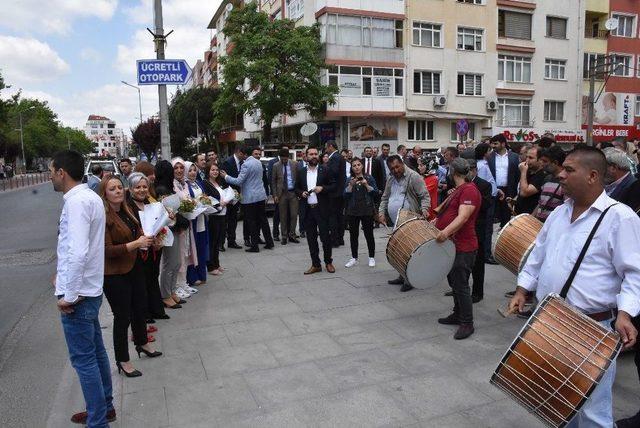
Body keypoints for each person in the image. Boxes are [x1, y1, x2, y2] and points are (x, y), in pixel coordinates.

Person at [509, 146, 640, 428]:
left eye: (569, 170)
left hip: (592, 328)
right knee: (559, 404)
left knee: (593, 412)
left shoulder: (621, 217)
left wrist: (626, 313)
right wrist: (522, 289)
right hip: (551, 324)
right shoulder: (558, 214)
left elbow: (635, 273)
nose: (561, 174)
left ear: (592, 175)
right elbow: (537, 255)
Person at [50, 150, 116, 427]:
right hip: (90, 287)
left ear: (62, 172)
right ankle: (105, 407)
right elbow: (78, 248)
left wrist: (69, 294)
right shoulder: (90, 197)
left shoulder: (77, 202)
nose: (50, 176)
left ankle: (98, 420)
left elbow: (77, 251)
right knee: (96, 353)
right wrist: (61, 274)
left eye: (52, 171)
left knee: (84, 359)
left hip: (80, 294)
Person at [99, 176, 162, 379]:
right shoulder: (104, 216)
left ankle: (142, 343)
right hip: (114, 273)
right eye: (112, 189)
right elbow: (107, 250)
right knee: (122, 316)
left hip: (134, 266)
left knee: (139, 307)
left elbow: (138, 234)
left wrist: (149, 240)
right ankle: (122, 360)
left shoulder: (127, 210)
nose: (117, 191)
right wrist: (136, 244)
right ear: (105, 194)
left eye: (119, 187)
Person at [435, 158, 481, 340]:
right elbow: (450, 213)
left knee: (461, 286)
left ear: (453, 172)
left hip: (464, 246)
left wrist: (444, 233)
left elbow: (462, 218)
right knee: (454, 283)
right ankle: (457, 314)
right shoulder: (461, 189)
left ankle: (467, 323)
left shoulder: (469, 190)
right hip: (452, 246)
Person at [379, 155, 431, 292]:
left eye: (397, 166)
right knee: (399, 250)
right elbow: (385, 197)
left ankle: (409, 280)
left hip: (410, 219)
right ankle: (402, 276)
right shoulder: (390, 178)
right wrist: (381, 212)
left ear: (402, 164)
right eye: (392, 168)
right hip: (396, 220)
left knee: (408, 251)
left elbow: (424, 195)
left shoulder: (413, 176)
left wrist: (425, 210)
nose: (395, 170)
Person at [127, 172, 169, 322]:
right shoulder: (127, 206)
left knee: (152, 277)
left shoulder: (151, 203)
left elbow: (159, 224)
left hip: (153, 248)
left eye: (145, 186)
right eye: (137, 187)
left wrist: (159, 238)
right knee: (141, 281)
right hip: (138, 248)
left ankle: (156, 309)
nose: (142, 190)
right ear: (131, 189)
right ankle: (144, 314)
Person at [221, 145, 274, 252]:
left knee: (252, 221)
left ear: (245, 154)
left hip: (250, 198)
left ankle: (254, 246)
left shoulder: (246, 165)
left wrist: (226, 177)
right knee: (263, 220)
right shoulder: (258, 162)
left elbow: (239, 181)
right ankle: (269, 242)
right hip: (260, 196)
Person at [295, 146, 336, 274]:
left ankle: (328, 262)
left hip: (322, 209)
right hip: (308, 210)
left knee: (325, 237)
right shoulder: (301, 171)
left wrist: (322, 188)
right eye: (311, 154)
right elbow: (296, 188)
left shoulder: (325, 170)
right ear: (306, 156)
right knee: (311, 239)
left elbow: (334, 185)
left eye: (315, 154)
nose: (313, 156)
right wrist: (301, 193)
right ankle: (315, 264)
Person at [154, 160, 188, 309]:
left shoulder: (167, 187)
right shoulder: (161, 189)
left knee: (176, 262)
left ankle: (172, 291)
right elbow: (165, 212)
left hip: (174, 228)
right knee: (171, 263)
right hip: (168, 230)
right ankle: (166, 294)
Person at [171, 158, 199, 298]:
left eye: (181, 167)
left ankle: (183, 283)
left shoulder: (184, 184)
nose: (179, 170)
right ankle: (176, 286)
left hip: (187, 222)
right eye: (176, 168)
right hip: (179, 225)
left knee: (186, 253)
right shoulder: (172, 185)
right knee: (179, 255)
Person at [344, 157, 378, 268]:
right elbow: (344, 196)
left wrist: (367, 185)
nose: (357, 167)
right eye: (354, 165)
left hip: (367, 210)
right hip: (353, 211)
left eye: (358, 165)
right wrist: (350, 185)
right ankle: (354, 257)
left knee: (369, 235)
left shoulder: (369, 177)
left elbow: (376, 193)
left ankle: (371, 257)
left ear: (362, 166)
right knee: (353, 235)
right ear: (352, 168)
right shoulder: (349, 179)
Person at [467, 159, 492, 303]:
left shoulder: (484, 185)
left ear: (475, 170)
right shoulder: (462, 183)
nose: (468, 173)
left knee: (477, 264)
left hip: (478, 228)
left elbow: (486, 205)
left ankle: (478, 292)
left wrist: (472, 196)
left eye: (470, 170)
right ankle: (459, 288)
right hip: (464, 228)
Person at [185, 161, 209, 287]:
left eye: (194, 170)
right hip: (192, 220)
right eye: (190, 170)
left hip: (201, 218)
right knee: (192, 249)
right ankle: (192, 277)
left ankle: (202, 274)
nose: (193, 172)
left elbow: (204, 197)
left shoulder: (199, 183)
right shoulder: (184, 186)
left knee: (201, 247)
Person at [202, 162, 229, 275]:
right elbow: (206, 200)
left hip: (222, 215)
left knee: (218, 241)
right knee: (212, 242)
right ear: (208, 171)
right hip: (213, 216)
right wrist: (219, 205)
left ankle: (217, 264)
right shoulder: (205, 183)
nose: (215, 172)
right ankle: (211, 266)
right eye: (212, 170)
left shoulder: (219, 182)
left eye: (217, 170)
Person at [488, 134, 520, 227]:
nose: (493, 146)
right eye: (492, 144)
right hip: (494, 190)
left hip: (509, 190)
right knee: (492, 214)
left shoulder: (514, 156)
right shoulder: (490, 157)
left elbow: (517, 174)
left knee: (506, 216)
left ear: (503, 144)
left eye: (495, 143)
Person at [272, 148, 299, 245]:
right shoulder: (276, 166)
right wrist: (275, 195)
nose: (284, 160)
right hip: (281, 194)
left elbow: (298, 178)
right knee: (282, 216)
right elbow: (273, 181)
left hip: (293, 193)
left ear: (288, 157)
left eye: (285, 158)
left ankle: (292, 235)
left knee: (294, 215)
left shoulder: (295, 164)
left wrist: (299, 192)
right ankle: (284, 236)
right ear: (280, 157)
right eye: (282, 158)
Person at [532, 146, 566, 223]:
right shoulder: (547, 178)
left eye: (545, 161)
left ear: (555, 163)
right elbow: (541, 203)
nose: (542, 164)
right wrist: (531, 218)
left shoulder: (565, 182)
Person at [221, 147, 244, 249]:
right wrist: (229, 194)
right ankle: (221, 243)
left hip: (237, 197)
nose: (245, 156)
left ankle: (232, 241)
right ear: (238, 152)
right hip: (228, 196)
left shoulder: (243, 163)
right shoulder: (228, 162)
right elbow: (223, 180)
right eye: (243, 154)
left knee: (233, 220)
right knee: (224, 220)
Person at [325, 141, 347, 247]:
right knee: (339, 216)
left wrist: (324, 169)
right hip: (340, 192)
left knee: (333, 217)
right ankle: (340, 238)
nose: (326, 150)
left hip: (334, 193)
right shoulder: (339, 157)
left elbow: (332, 172)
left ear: (330, 147)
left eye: (326, 148)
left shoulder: (335, 158)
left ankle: (335, 240)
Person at [514, 146, 546, 215]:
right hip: (520, 214)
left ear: (540, 160)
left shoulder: (542, 175)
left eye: (531, 158)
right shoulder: (528, 172)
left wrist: (523, 172)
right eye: (527, 157)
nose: (527, 160)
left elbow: (524, 192)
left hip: (531, 217)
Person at [267, 146, 289, 242]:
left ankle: (287, 233)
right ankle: (275, 233)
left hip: (288, 192)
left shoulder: (289, 162)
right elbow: (272, 180)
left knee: (288, 214)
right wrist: (274, 194)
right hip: (278, 194)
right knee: (277, 214)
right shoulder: (273, 162)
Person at [417, 155, 439, 220]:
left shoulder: (433, 179)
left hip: (429, 210)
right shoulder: (423, 177)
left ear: (428, 166)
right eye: (419, 165)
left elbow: (420, 192)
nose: (418, 167)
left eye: (421, 165)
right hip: (423, 208)